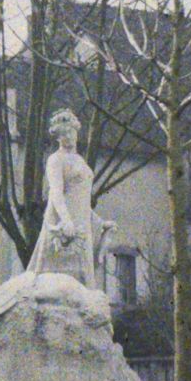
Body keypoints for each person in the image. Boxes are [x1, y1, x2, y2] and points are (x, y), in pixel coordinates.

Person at [25, 107, 112, 285]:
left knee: (83, 281)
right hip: (63, 222)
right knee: (53, 280)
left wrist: (99, 223)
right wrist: (65, 220)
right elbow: (55, 192)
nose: (69, 137)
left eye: (71, 132)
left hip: (81, 222)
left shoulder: (80, 160)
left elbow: (80, 199)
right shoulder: (56, 160)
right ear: (58, 137)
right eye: (64, 134)